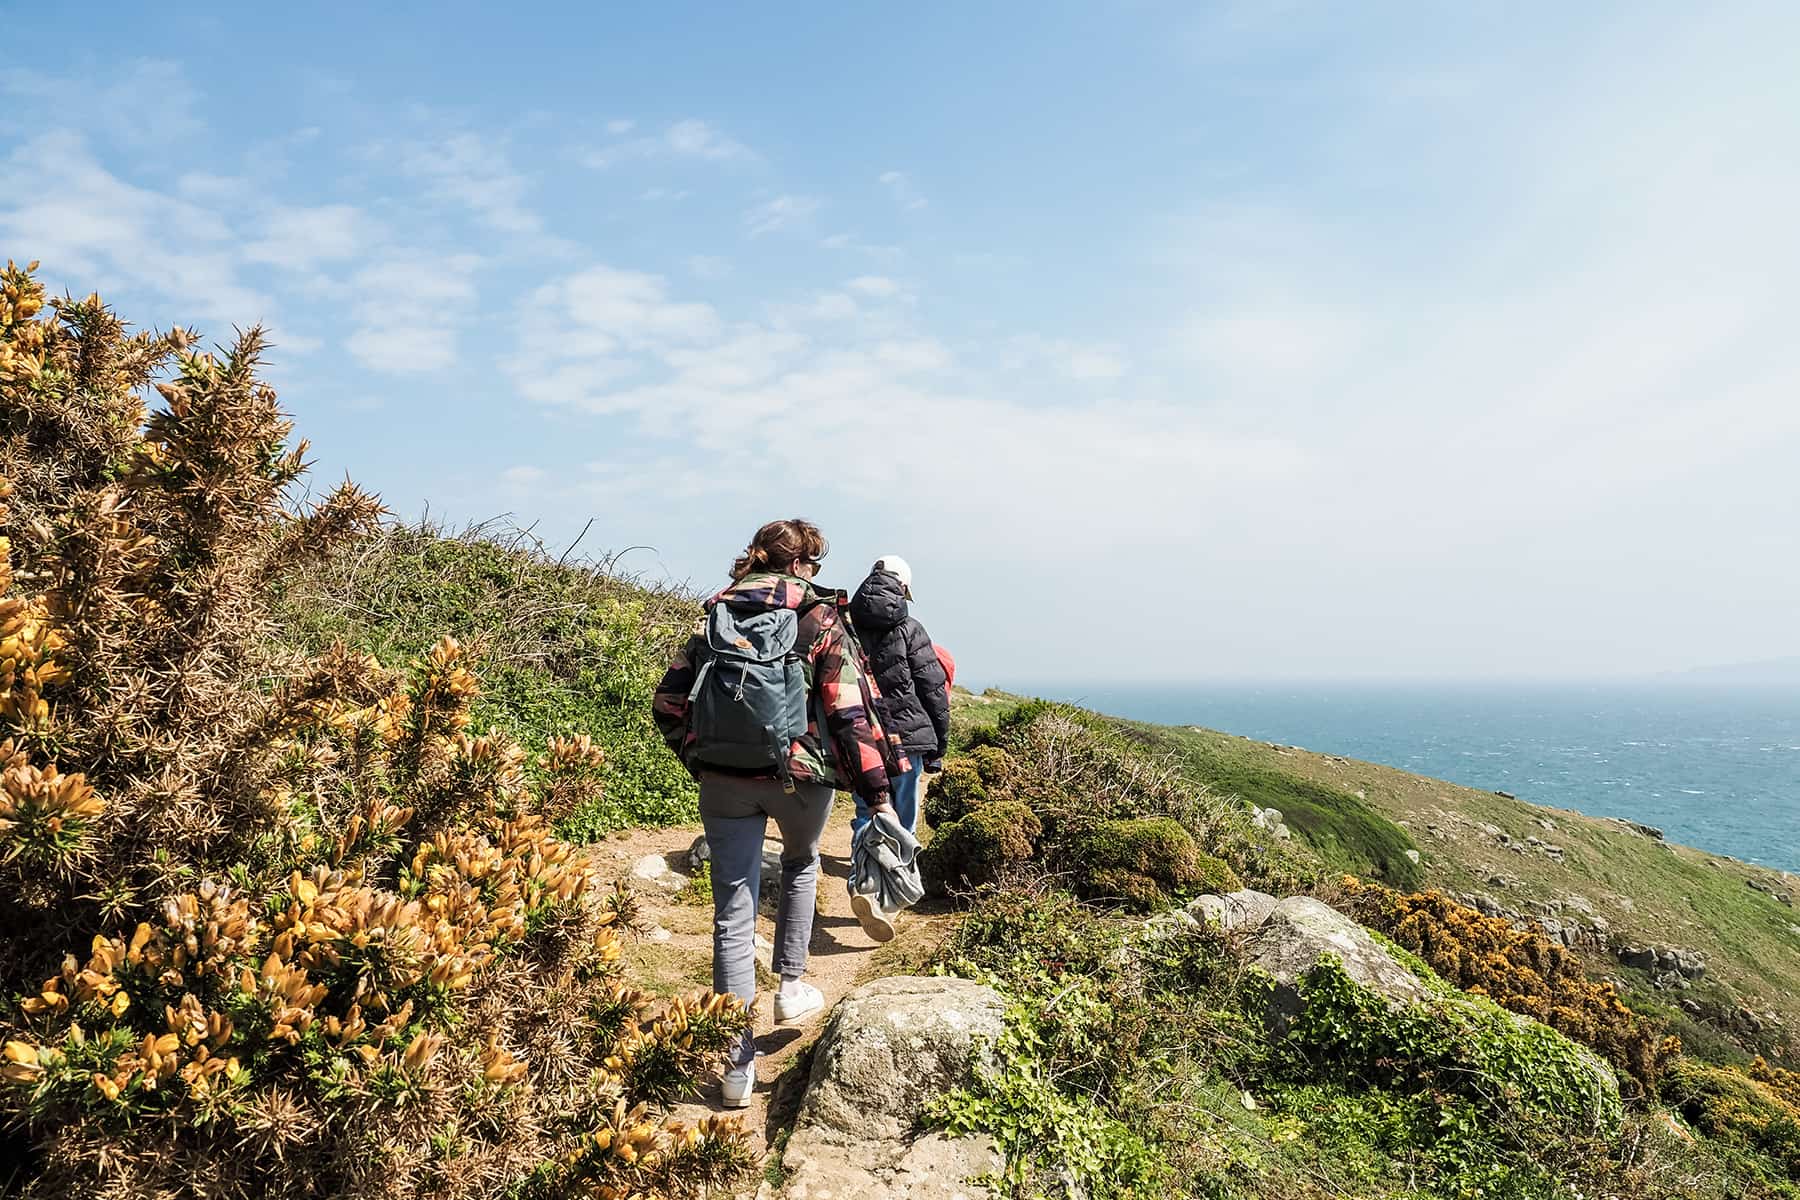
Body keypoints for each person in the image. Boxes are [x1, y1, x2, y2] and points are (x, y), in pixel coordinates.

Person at [653, 519, 897, 1108]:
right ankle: (791, 985)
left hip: (724, 780)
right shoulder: (818, 617)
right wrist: (878, 793)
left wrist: (703, 759)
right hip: (800, 776)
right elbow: (848, 712)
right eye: (812, 564)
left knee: (730, 915)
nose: (814, 574)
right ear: (799, 564)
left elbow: (668, 702)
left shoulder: (717, 613)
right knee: (801, 862)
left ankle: (733, 1067)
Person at [847, 555, 949, 839]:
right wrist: (938, 745)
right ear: (902, 587)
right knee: (904, 818)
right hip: (907, 736)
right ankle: (901, 874)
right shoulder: (910, 629)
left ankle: (864, 872)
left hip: (858, 731)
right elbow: (932, 688)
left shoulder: (844, 623)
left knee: (866, 808)